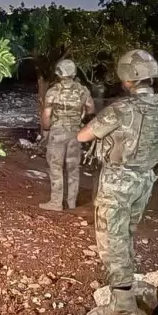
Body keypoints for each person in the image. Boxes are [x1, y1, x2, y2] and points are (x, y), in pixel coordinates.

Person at [76, 50, 158, 314]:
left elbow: (84, 137)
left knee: (112, 239)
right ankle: (128, 286)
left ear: (128, 78)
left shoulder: (123, 108)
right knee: (126, 233)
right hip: (145, 179)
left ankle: (122, 303)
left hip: (118, 180)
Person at [39, 58, 95, 211]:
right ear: (74, 73)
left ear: (58, 73)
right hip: (76, 133)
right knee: (73, 168)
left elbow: (46, 114)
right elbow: (91, 109)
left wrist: (45, 130)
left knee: (55, 167)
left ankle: (56, 202)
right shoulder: (83, 90)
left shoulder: (53, 92)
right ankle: (71, 203)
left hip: (57, 133)